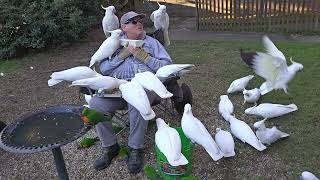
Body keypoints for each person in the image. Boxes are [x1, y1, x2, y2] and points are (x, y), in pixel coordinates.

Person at [88, 11, 191, 174]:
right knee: (95, 104)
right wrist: (122, 55)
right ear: (123, 27)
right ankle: (110, 146)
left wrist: (143, 56)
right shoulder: (115, 44)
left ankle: (135, 148)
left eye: (140, 20)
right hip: (119, 89)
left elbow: (167, 67)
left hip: (147, 88)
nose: (138, 23)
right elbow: (104, 69)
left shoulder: (152, 43)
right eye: (133, 21)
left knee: (137, 100)